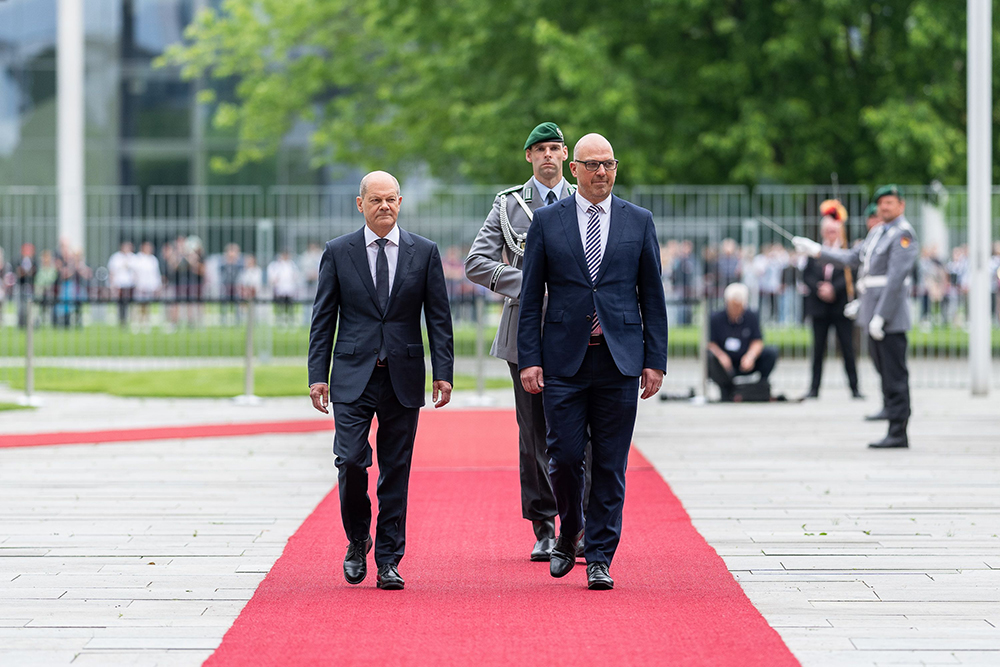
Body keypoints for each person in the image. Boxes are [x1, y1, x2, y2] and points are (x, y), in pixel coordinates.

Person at [518, 133, 668, 590]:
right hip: (563, 359)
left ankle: (600, 555)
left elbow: (653, 296)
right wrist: (530, 358)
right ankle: (569, 530)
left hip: (620, 360)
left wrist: (654, 360)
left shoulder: (637, 221)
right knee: (563, 457)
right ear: (575, 167)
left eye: (609, 164)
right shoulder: (547, 221)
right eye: (593, 165)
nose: (602, 172)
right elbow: (530, 298)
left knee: (609, 464)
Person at [308, 171, 454, 591]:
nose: (384, 207)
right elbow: (323, 319)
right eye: (376, 200)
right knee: (351, 462)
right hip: (352, 376)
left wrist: (443, 371)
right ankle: (358, 540)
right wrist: (317, 375)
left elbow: (439, 318)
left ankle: (389, 559)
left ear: (401, 202)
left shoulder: (423, 252)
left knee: (396, 470)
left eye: (391, 199)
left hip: (403, 377)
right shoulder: (339, 252)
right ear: (360, 204)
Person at [465, 121, 581, 562]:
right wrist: (530, 284)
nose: (548, 156)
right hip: (525, 330)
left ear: (566, 155)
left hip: (574, 329)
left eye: (555, 148)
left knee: (579, 432)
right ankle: (544, 524)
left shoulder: (582, 199)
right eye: (541, 149)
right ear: (528, 156)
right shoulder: (509, 205)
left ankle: (579, 522)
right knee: (533, 432)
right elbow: (476, 262)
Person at [795, 185, 919, 448]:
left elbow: (895, 280)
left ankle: (898, 430)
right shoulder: (877, 233)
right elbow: (853, 258)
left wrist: (881, 316)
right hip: (874, 311)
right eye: (881, 203)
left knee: (895, 373)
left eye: (889, 202)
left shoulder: (902, 234)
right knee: (883, 370)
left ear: (901, 205)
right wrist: (817, 251)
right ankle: (892, 422)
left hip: (889, 315)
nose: (884, 207)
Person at [802, 215, 861, 399]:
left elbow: (851, 275)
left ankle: (854, 388)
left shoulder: (846, 250)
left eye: (834, 230)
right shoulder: (814, 251)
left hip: (840, 306)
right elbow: (806, 275)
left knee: (847, 348)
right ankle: (814, 388)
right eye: (828, 230)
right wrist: (820, 288)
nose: (831, 233)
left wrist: (833, 288)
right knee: (818, 349)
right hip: (819, 306)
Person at [707, 283, 778, 401]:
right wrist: (721, 356)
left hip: (744, 359)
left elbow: (757, 341)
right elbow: (710, 343)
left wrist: (751, 356)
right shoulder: (716, 318)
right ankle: (726, 389)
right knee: (710, 358)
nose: (736, 310)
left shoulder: (751, 316)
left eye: (739, 306)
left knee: (771, 352)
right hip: (726, 362)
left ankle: (760, 386)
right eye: (733, 306)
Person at [107, 241, 136, 328]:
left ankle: (131, 320)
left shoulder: (133, 257)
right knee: (121, 304)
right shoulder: (116, 257)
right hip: (119, 284)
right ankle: (121, 320)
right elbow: (112, 271)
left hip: (130, 284)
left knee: (130, 303)